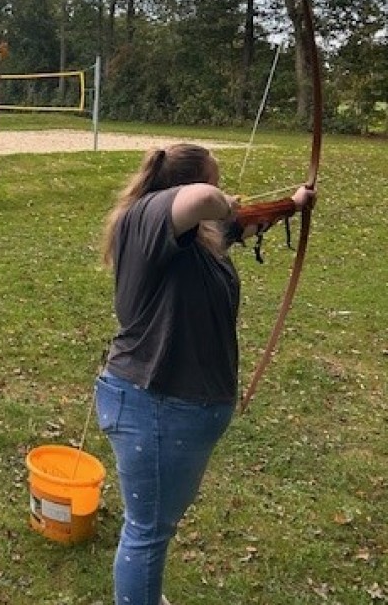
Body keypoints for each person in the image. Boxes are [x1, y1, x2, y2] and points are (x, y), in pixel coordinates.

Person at [95, 143, 315, 605]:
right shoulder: (147, 218)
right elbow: (202, 202)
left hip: (175, 406)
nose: (221, 189)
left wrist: (294, 203)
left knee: (155, 525)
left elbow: (244, 220)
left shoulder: (198, 234)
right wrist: (221, 199)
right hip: (153, 401)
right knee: (147, 532)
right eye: (215, 178)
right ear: (188, 183)